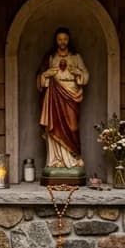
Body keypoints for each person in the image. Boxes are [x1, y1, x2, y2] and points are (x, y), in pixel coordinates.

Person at [37, 27, 88, 170]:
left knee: (72, 127)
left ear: (69, 40)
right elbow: (39, 78)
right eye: (59, 39)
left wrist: (78, 72)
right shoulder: (51, 57)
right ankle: (56, 160)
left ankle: (72, 158)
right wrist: (46, 75)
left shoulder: (76, 57)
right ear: (56, 41)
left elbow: (86, 76)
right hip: (54, 95)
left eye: (65, 39)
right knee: (54, 127)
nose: (62, 42)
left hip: (72, 95)